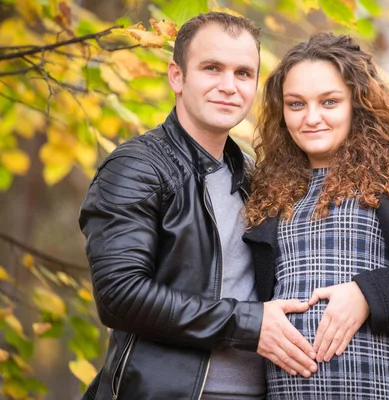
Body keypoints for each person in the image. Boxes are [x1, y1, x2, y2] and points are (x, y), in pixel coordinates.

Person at [78, 12, 318, 400]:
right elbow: (119, 295)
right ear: (177, 76)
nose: (229, 86)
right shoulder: (137, 166)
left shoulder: (253, 175)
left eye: (243, 73)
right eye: (212, 68)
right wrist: (248, 323)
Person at [243, 32, 389, 399]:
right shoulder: (266, 189)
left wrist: (367, 294)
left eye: (329, 101)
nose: (312, 118)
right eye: (296, 104)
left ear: (357, 101)